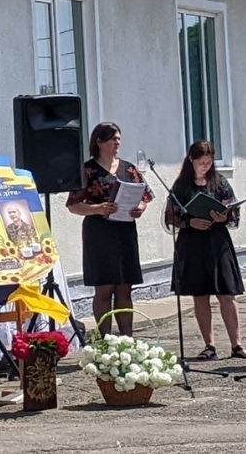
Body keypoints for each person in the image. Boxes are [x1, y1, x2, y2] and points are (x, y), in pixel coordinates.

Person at [165, 140, 246, 360]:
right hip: (192, 242)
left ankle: (237, 344)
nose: (206, 166)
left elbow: (232, 207)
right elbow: (170, 216)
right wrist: (189, 223)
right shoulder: (182, 186)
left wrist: (225, 215)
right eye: (201, 162)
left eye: (209, 162)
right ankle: (209, 345)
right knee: (200, 294)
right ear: (191, 161)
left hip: (217, 241)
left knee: (227, 293)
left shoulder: (219, 182)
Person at [66, 122, 152, 336]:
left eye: (119, 140)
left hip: (125, 231)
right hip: (99, 233)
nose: (117, 143)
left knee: (124, 287)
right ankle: (105, 339)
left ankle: (127, 340)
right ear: (99, 141)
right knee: (104, 288)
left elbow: (145, 195)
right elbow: (73, 205)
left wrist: (140, 208)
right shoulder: (88, 170)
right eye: (113, 139)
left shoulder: (128, 168)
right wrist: (97, 208)